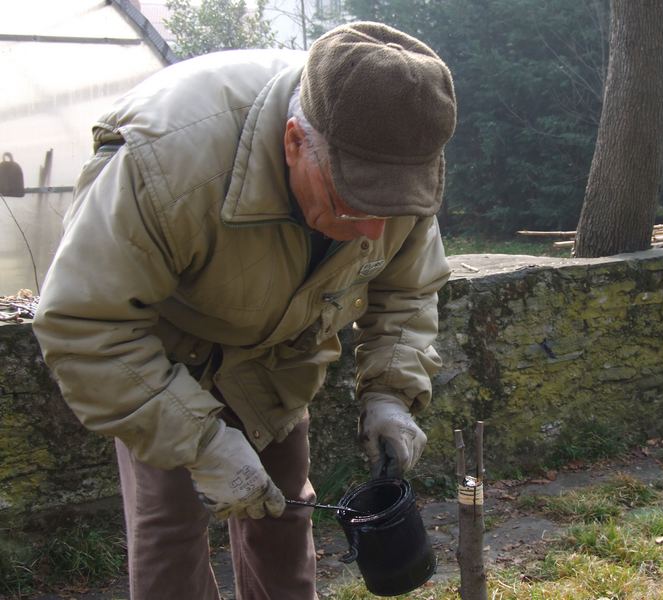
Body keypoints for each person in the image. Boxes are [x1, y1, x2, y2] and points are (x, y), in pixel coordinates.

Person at [32, 21, 456, 600]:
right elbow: (85, 324)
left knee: (284, 515)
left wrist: (390, 392)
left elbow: (407, 288)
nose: (372, 232)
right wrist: (199, 442)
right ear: (294, 142)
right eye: (352, 204)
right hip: (161, 356)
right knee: (171, 530)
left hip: (282, 354)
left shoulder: (398, 160)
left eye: (391, 209)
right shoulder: (165, 162)